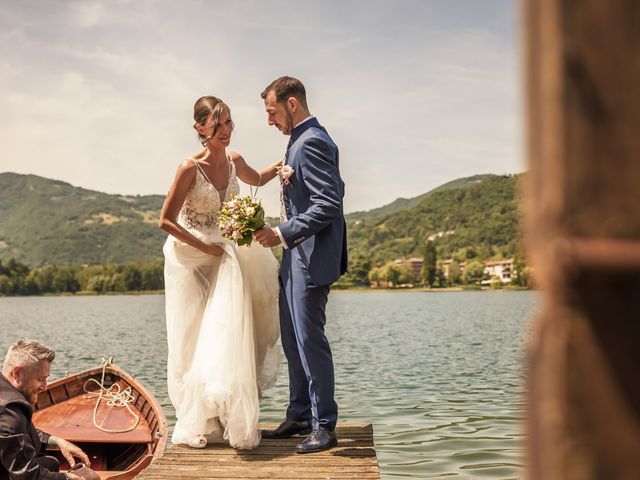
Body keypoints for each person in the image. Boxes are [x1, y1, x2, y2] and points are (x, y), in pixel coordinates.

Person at [159, 96, 282, 450]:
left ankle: (227, 416)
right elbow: (165, 221)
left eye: (228, 122)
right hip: (191, 259)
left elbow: (257, 177)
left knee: (228, 333)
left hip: (227, 256)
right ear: (200, 128)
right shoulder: (188, 168)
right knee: (194, 338)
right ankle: (197, 419)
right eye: (217, 124)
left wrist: (286, 163)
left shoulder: (233, 160)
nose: (226, 131)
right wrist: (204, 246)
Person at [254, 76, 348, 453]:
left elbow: (329, 204)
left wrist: (281, 233)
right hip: (295, 254)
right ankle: (299, 414)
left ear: (292, 104)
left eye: (272, 112)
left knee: (310, 341)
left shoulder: (312, 141)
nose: (270, 121)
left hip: (310, 257)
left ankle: (324, 425)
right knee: (293, 341)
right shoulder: (298, 140)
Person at [0, 340, 99, 480]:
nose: (45, 387)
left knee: (50, 463)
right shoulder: (9, 410)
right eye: (40, 379)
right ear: (17, 373)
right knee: (90, 477)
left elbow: (19, 434)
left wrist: (56, 441)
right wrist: (67, 478)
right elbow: (27, 476)